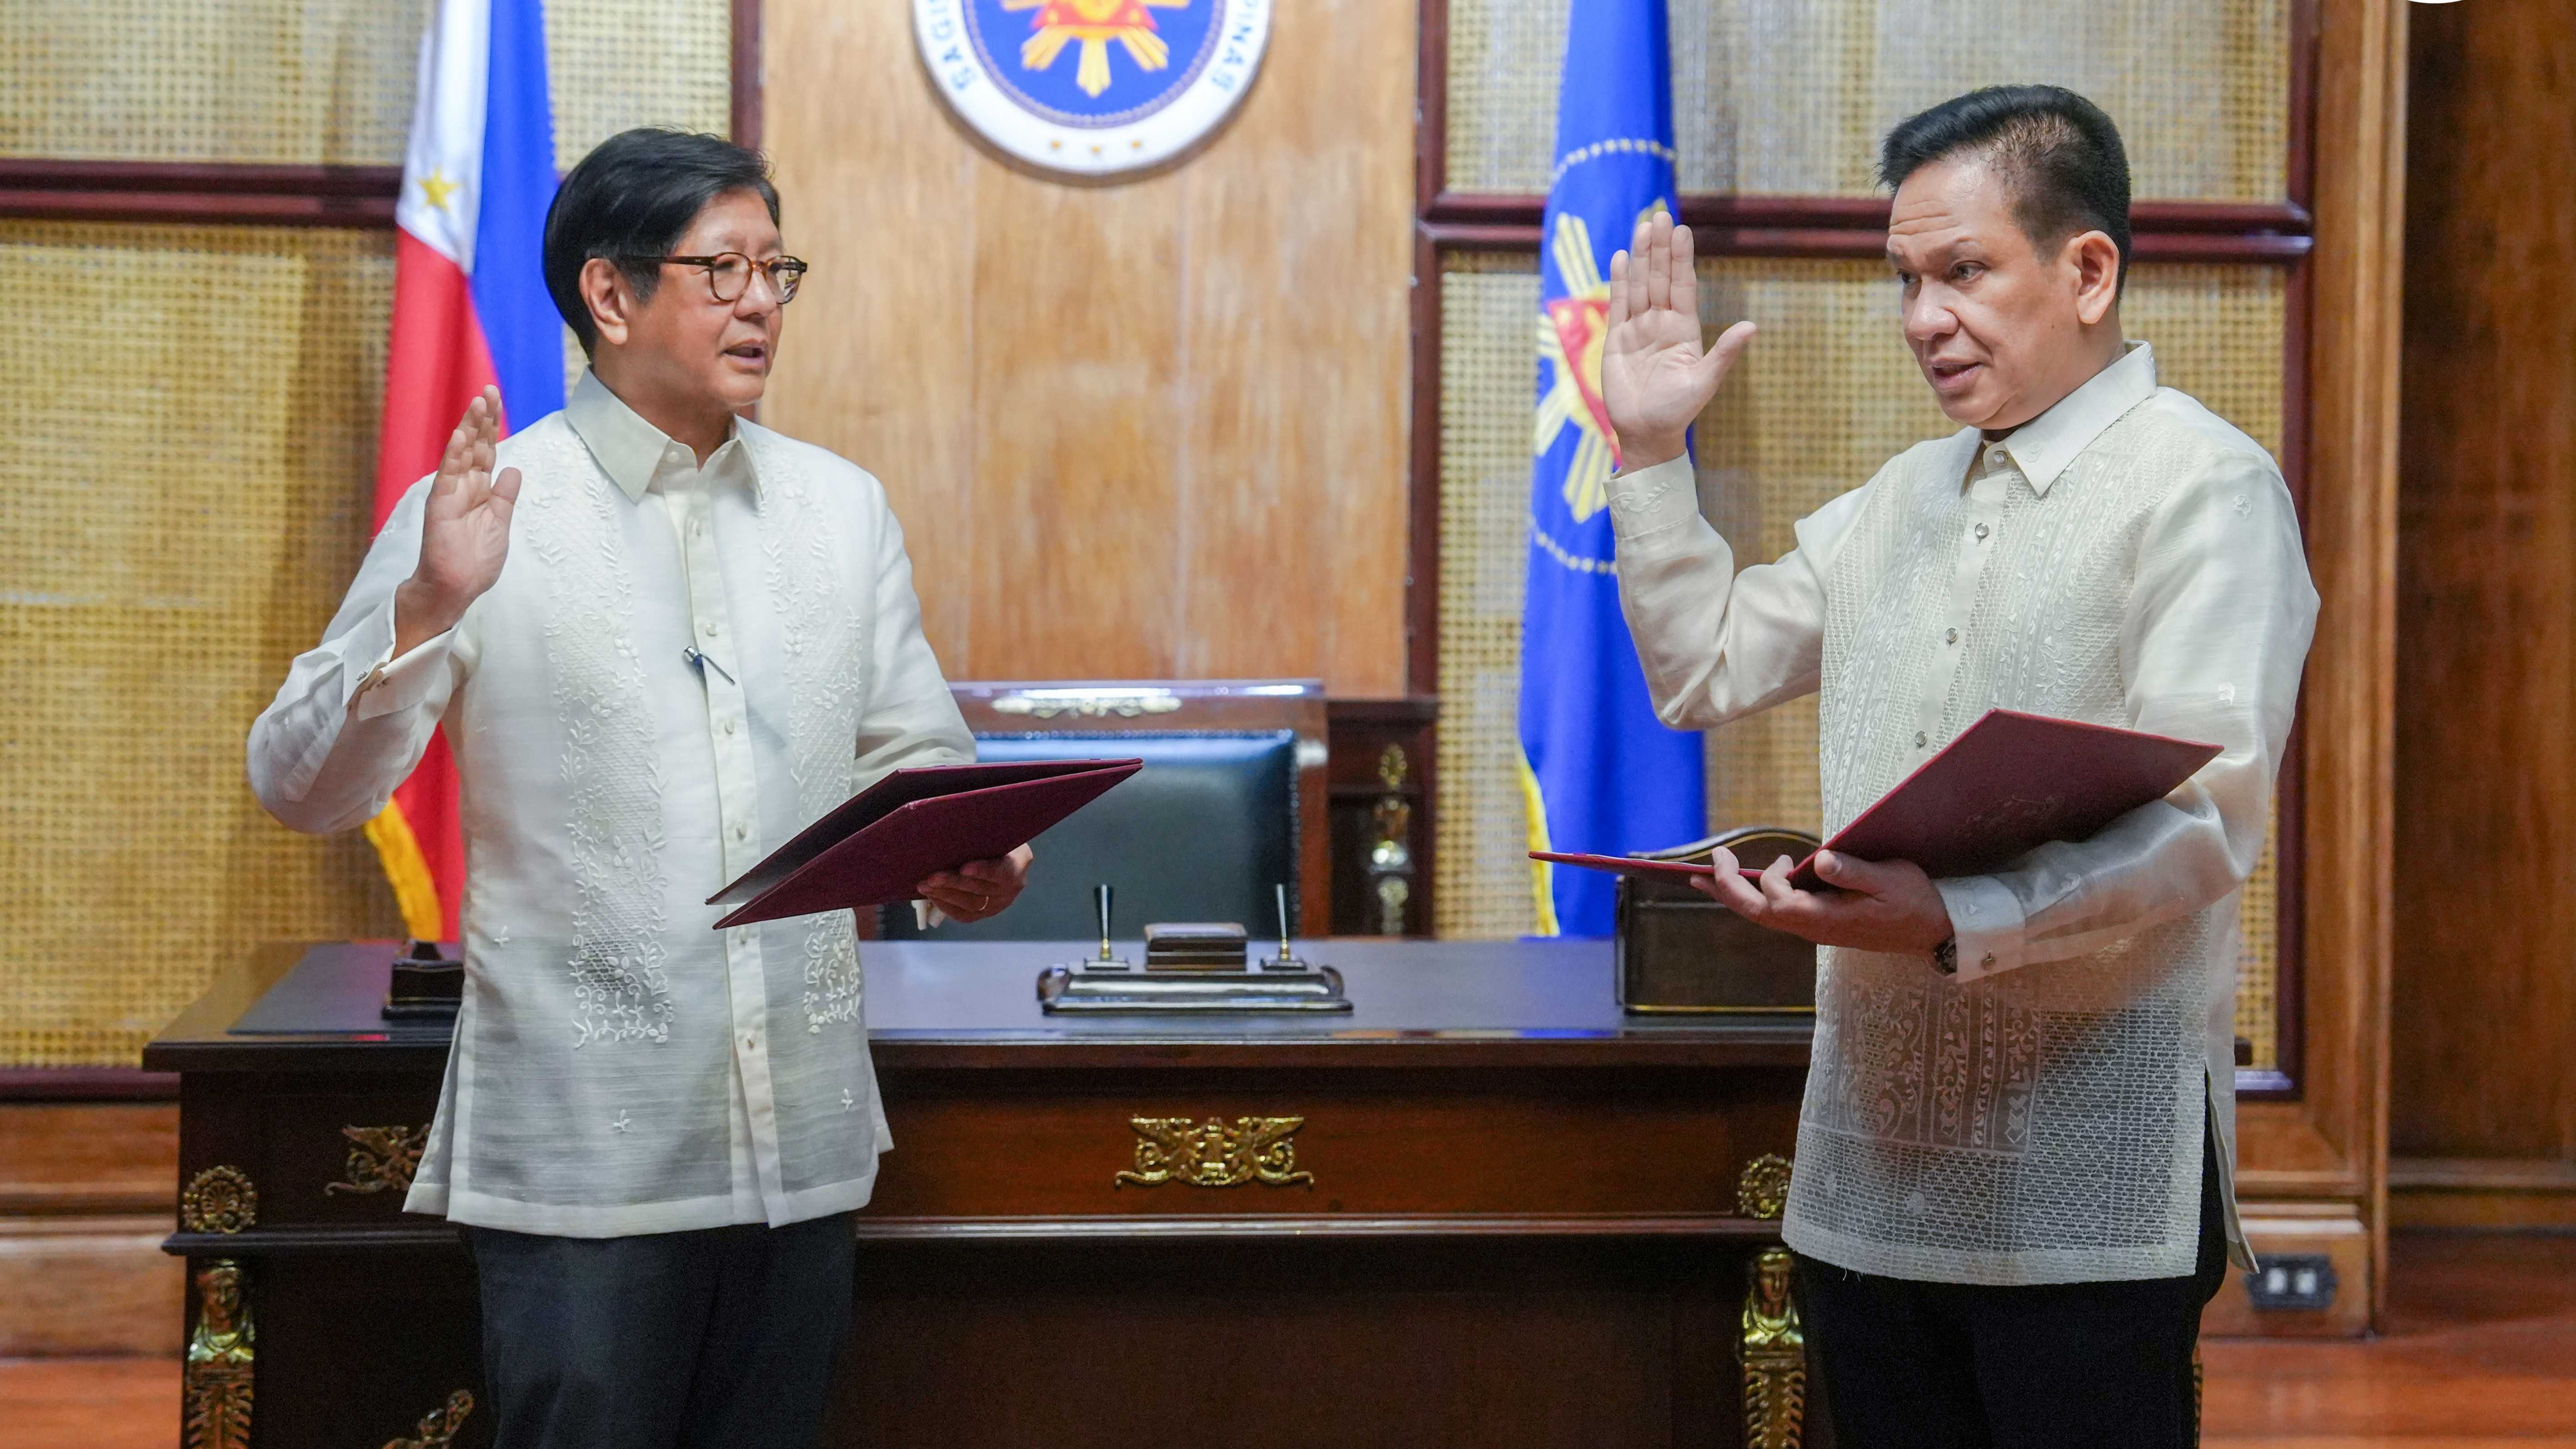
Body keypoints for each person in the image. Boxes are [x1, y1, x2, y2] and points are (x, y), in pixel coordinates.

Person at [247, 128, 1029, 1449]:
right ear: (608, 295)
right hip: (587, 1165)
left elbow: (915, 756)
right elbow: (299, 785)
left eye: (777, 269)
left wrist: (965, 853)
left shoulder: (842, 509)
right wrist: (429, 605)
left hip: (804, 1146)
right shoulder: (486, 514)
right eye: (722, 270)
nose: (762, 302)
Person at [1597, 85, 2317, 1447]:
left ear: (2088, 271)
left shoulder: (2205, 487)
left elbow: (2209, 820)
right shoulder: (1901, 499)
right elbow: (1703, 669)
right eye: (1907, 279)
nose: (1924, 317)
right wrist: (1647, 449)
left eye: (1964, 271)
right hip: (1870, 1174)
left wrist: (1960, 913)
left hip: (2088, 1181)